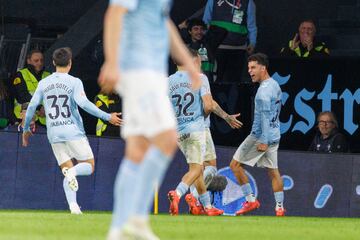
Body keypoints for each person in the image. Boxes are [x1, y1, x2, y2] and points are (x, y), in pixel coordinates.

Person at [98, 1, 201, 239]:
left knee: (137, 150)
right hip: (137, 69)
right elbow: (114, 13)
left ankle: (123, 225)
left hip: (151, 73)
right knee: (166, 138)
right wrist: (112, 61)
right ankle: (131, 220)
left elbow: (163, 22)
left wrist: (188, 62)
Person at [22, 47, 121, 215]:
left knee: (67, 169)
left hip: (53, 133)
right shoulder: (74, 82)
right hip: (72, 130)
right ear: (70, 63)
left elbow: (31, 106)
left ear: (53, 63)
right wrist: (107, 116)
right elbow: (84, 104)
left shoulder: (44, 83)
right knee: (89, 166)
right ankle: (72, 173)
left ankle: (74, 208)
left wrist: (25, 130)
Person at [167, 49, 225, 217]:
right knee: (199, 168)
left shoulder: (167, 81)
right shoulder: (200, 78)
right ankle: (177, 194)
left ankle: (207, 207)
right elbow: (208, 105)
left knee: (197, 169)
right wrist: (201, 117)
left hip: (178, 132)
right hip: (197, 129)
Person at [229, 53, 286, 217]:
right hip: (275, 134)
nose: (250, 71)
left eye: (253, 67)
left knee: (235, 165)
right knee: (273, 172)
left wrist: (263, 140)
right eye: (248, 68)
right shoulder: (275, 84)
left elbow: (266, 118)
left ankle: (250, 200)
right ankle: (279, 208)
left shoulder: (263, 93)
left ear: (263, 68)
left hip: (261, 136)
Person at [203, 0, 257, 82]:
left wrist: (252, 43)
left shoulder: (248, 2)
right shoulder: (213, 1)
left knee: (234, 81)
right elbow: (205, 22)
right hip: (217, 48)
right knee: (216, 79)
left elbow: (252, 25)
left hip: (239, 49)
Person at [178, 18, 227, 82]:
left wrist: (207, 26)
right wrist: (180, 26)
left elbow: (223, 31)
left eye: (201, 29)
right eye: (196, 29)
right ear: (190, 31)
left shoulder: (209, 45)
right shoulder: (184, 46)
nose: (199, 32)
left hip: (207, 85)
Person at [11, 49, 50, 125]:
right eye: (36, 61)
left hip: (44, 120)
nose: (40, 63)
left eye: (41, 60)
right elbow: (22, 96)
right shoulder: (20, 75)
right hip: (25, 120)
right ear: (29, 61)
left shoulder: (48, 75)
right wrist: (39, 107)